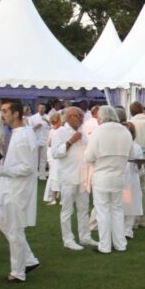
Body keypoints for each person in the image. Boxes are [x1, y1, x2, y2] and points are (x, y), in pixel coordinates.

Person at [0, 101, 40, 282]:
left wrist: (1, 169)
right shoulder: (18, 133)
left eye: (5, 111)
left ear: (16, 113)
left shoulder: (24, 135)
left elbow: (27, 167)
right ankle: (29, 260)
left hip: (18, 189)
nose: (2, 114)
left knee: (14, 229)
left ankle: (18, 272)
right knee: (5, 224)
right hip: (10, 186)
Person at [84, 106, 133, 254]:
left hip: (102, 176)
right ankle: (120, 244)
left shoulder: (99, 132)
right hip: (119, 176)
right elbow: (131, 154)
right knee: (117, 210)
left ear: (101, 117)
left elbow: (89, 156)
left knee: (102, 211)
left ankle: (105, 245)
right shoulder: (125, 131)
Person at [50, 107, 97, 250]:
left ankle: (85, 237)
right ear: (70, 117)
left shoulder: (82, 132)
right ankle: (68, 239)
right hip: (68, 176)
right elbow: (56, 153)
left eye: (82, 115)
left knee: (84, 208)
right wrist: (70, 141)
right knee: (67, 210)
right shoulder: (60, 132)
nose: (82, 118)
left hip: (83, 176)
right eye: (79, 116)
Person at [127, 101, 145, 228]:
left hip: (133, 158)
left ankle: (131, 220)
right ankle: (143, 220)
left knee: (129, 190)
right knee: (143, 190)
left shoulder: (130, 123)